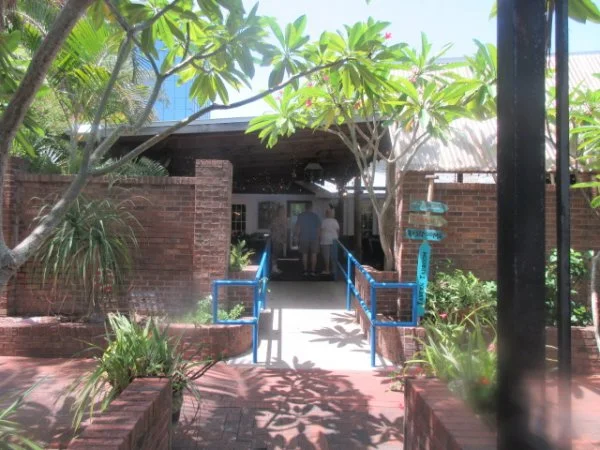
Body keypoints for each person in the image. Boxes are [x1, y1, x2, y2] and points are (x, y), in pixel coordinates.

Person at [293, 203, 321, 276]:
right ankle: (313, 271)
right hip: (314, 238)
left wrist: (296, 236)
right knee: (314, 254)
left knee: (304, 254)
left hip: (303, 237)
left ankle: (305, 271)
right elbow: (318, 229)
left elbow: (298, 228)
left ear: (305, 208)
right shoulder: (315, 216)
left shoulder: (301, 216)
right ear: (311, 208)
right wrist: (319, 238)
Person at [320, 208, 340, 275]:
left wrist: (320, 240)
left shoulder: (324, 221)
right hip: (334, 240)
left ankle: (327, 270)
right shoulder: (335, 221)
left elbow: (321, 231)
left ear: (326, 214)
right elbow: (338, 231)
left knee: (326, 256)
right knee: (333, 256)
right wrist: (337, 239)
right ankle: (334, 270)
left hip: (325, 240)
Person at [270, 204, 286, 274]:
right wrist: (279, 238)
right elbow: (273, 229)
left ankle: (274, 268)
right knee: (275, 254)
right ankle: (274, 269)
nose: (283, 211)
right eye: (282, 210)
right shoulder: (276, 219)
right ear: (279, 211)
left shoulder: (282, 219)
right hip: (276, 240)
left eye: (283, 210)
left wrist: (283, 239)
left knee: (277, 254)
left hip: (280, 240)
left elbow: (283, 230)